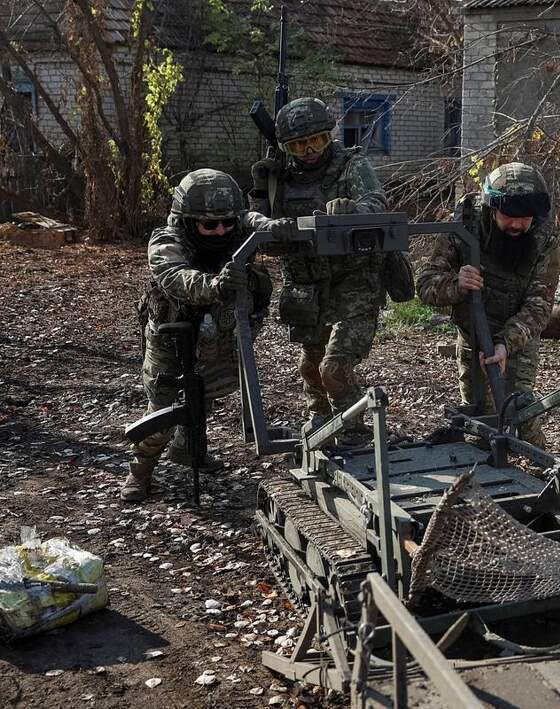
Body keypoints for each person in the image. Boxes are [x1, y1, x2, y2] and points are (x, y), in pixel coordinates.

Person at [121, 168, 285, 502]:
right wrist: (215, 285)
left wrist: (274, 227)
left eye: (226, 223)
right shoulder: (166, 240)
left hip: (215, 336)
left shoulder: (235, 224)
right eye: (209, 225)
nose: (220, 230)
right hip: (172, 336)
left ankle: (188, 451)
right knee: (162, 413)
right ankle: (139, 471)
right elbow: (176, 277)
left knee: (204, 396)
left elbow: (251, 219)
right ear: (187, 221)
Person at [249, 96, 391, 440]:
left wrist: (352, 212)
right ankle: (321, 424)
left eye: (317, 140)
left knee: (334, 368)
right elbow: (258, 233)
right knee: (311, 367)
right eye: (299, 145)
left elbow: (377, 203)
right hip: (307, 285)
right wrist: (261, 194)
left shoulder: (351, 165)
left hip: (354, 284)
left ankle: (355, 434)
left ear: (329, 136)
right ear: (286, 147)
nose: (310, 150)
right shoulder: (278, 175)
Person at [416, 162, 559, 448]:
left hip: (516, 336)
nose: (517, 225)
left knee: (520, 411)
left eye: (525, 218)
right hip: (473, 336)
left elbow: (539, 306)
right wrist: (456, 284)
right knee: (481, 421)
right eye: (509, 217)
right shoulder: (463, 226)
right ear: (491, 208)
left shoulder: (543, 238)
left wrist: (505, 344)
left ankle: (541, 463)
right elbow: (425, 284)